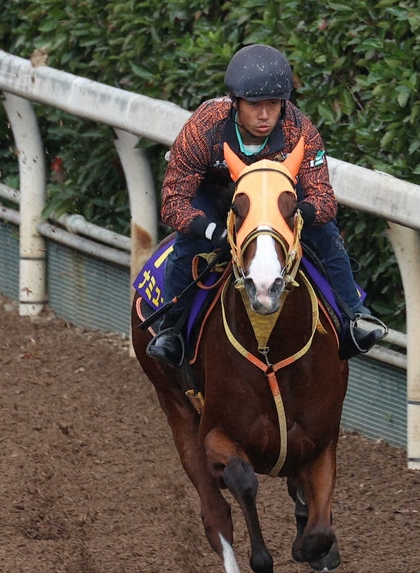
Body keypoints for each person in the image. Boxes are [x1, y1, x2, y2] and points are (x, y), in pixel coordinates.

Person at [146, 44, 386, 366]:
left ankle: (355, 317)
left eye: (273, 105)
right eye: (255, 105)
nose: (264, 116)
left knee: (326, 234)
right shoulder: (204, 127)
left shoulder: (301, 130)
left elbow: (324, 199)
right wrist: (212, 229)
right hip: (218, 196)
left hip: (277, 200)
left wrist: (296, 217)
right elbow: (174, 201)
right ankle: (172, 330)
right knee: (189, 246)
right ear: (235, 103)